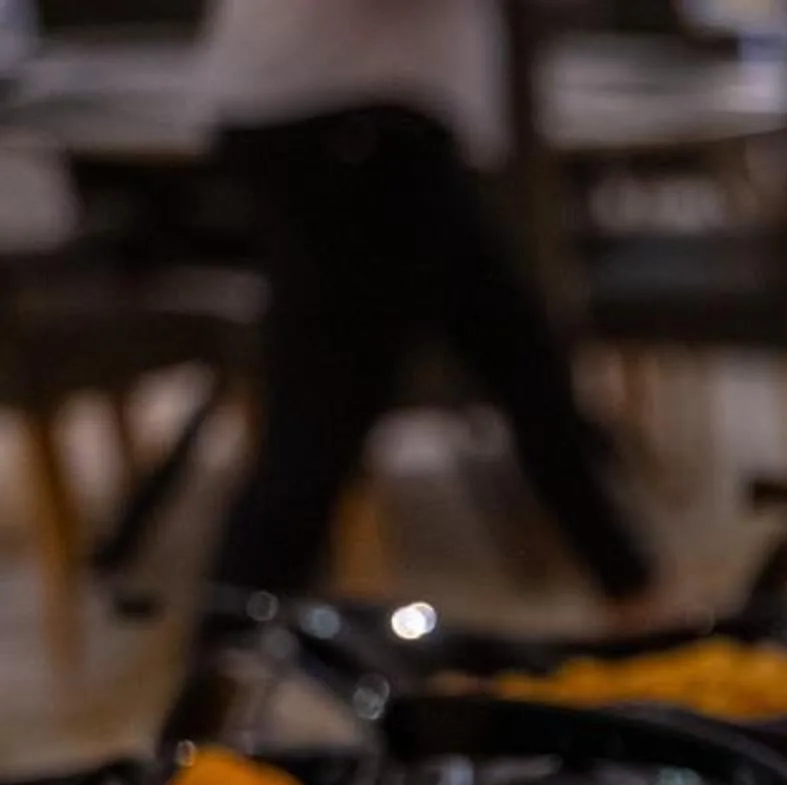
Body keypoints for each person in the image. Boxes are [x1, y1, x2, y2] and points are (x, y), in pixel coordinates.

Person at [197, 0, 656, 603]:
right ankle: (225, 662)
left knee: (524, 361)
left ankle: (637, 595)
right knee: (316, 431)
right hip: (346, 116)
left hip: (360, 110)